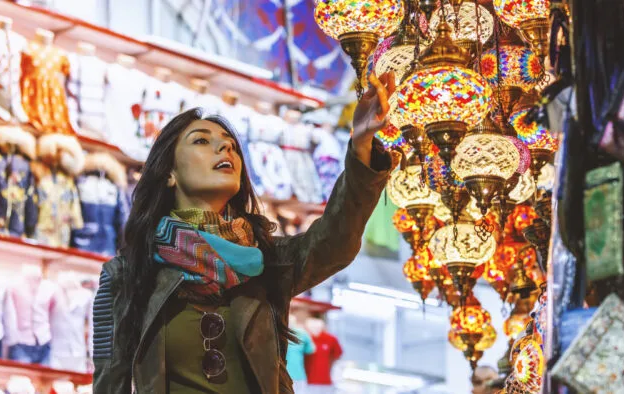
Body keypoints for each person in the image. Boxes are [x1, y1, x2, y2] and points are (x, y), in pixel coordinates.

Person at [91, 72, 397, 393]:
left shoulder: (266, 262)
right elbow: (110, 386)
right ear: (169, 173)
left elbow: (335, 241)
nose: (224, 146)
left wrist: (361, 144)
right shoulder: (126, 276)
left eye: (231, 145)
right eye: (201, 140)